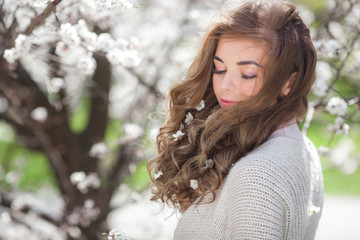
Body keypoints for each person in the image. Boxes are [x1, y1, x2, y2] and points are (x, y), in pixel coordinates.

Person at [147, 0, 323, 239]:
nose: (225, 86)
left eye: (247, 74)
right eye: (219, 69)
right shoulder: (302, 149)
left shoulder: (257, 175)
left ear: (288, 82)